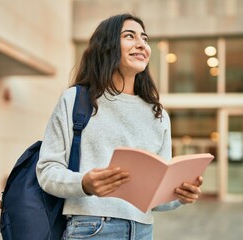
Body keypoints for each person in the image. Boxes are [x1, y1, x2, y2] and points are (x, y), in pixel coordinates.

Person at [36, 13, 203, 240]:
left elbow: (155, 200)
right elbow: (46, 171)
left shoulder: (158, 114)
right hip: (91, 228)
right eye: (129, 36)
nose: (141, 44)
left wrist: (179, 196)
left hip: (143, 230)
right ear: (107, 46)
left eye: (144, 39)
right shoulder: (76, 100)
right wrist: (83, 183)